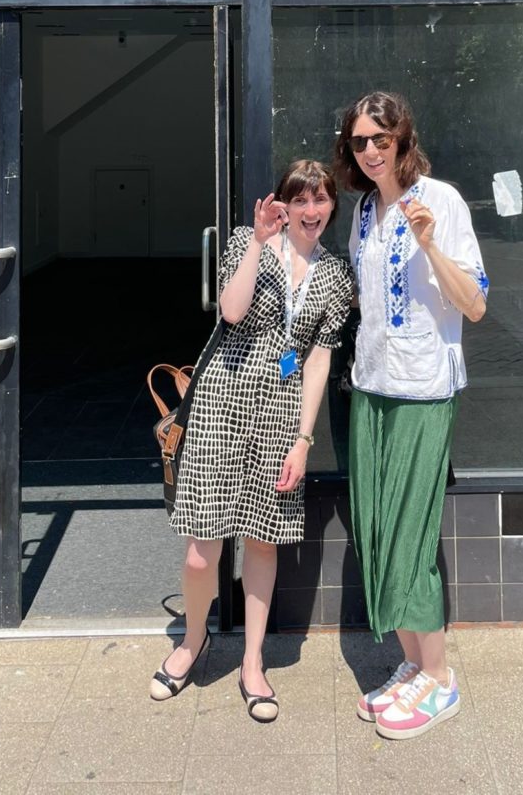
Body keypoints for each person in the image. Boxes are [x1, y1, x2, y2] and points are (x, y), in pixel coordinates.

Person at [149, 160, 354, 722]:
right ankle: (194, 640)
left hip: (282, 413)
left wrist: (304, 440)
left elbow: (318, 359)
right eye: (300, 200)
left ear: (331, 206)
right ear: (283, 204)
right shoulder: (249, 241)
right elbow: (232, 311)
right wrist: (259, 243)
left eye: (320, 200)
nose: (310, 211)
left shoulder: (335, 275)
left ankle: (253, 660)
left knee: (263, 543)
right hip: (223, 400)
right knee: (202, 550)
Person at [333, 91, 488, 740]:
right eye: (359, 141)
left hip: (424, 388)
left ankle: (441, 679)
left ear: (402, 139)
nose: (370, 150)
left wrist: (428, 245)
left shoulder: (441, 201)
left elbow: (475, 303)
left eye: (381, 138)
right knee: (375, 531)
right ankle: (414, 665)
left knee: (410, 537)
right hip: (371, 386)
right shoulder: (364, 210)